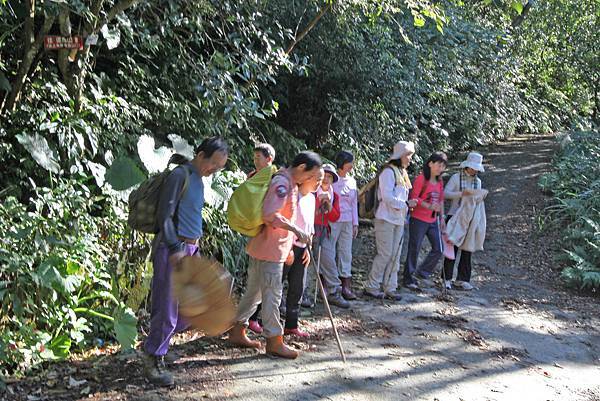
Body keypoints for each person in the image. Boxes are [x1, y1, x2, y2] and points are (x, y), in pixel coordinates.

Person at [142, 137, 229, 387]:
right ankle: (153, 359)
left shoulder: (200, 180)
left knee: (194, 307)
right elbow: (165, 216)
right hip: (174, 249)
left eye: (219, 166)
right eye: (213, 163)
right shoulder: (180, 175)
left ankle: (156, 343)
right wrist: (174, 248)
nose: (214, 169)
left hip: (191, 248)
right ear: (200, 155)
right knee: (167, 307)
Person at [228, 151, 322, 359]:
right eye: (310, 175)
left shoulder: (289, 183)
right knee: (272, 294)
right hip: (269, 250)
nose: (310, 180)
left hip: (269, 248)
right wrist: (297, 232)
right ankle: (274, 340)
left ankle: (237, 330)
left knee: (255, 292)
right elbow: (271, 214)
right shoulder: (282, 183)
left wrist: (289, 246)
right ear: (301, 168)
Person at [364, 141, 416, 300]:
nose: (410, 159)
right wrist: (405, 204)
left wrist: (405, 208)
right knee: (385, 254)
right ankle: (372, 286)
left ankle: (390, 287)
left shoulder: (402, 172)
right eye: (408, 155)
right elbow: (386, 197)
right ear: (400, 155)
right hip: (385, 218)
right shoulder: (388, 172)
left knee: (395, 254)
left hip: (398, 219)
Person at [282, 168, 323, 337]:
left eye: (321, 179)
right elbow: (287, 221)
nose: (319, 182)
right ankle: (257, 319)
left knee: (298, 286)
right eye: (316, 178)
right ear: (306, 177)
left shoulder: (312, 198)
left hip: (303, 248)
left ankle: (291, 324)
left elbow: (309, 226)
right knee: (276, 284)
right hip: (288, 246)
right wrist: (289, 247)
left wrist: (308, 247)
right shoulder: (293, 194)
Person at [402, 151, 448, 290]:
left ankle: (422, 272)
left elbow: (440, 200)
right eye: (438, 165)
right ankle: (408, 278)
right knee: (414, 248)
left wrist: (442, 218)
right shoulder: (421, 179)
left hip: (433, 219)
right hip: (418, 219)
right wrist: (428, 205)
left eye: (443, 166)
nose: (441, 168)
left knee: (439, 249)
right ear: (430, 164)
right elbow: (414, 198)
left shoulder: (439, 181)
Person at [319, 151, 359, 307]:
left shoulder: (352, 181)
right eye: (350, 162)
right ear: (342, 162)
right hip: (333, 220)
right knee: (329, 252)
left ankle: (345, 285)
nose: (352, 165)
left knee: (346, 252)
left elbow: (354, 204)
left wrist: (355, 223)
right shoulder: (332, 180)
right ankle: (325, 285)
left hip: (348, 221)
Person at [442, 152, 485, 291]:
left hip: (470, 218)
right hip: (454, 216)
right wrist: (462, 194)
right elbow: (445, 193)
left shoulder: (477, 182)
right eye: (472, 168)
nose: (474, 171)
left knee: (467, 250)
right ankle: (446, 278)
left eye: (476, 169)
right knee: (451, 249)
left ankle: (463, 279)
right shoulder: (456, 178)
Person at [246, 143, 276, 334]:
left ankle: (259, 319)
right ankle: (250, 319)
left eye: (259, 157)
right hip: (252, 229)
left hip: (268, 232)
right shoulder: (251, 176)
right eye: (255, 156)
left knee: (268, 281)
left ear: (269, 159)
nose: (256, 160)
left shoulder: (274, 178)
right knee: (254, 278)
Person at [302, 163, 340, 307]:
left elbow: (335, 217)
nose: (326, 179)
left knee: (328, 260)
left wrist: (329, 206)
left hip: (325, 231)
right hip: (311, 229)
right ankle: (307, 294)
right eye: (325, 175)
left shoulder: (334, 196)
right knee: (309, 262)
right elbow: (307, 212)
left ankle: (333, 291)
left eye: (330, 177)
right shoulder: (311, 192)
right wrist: (319, 202)